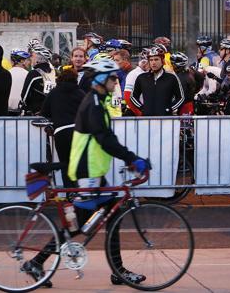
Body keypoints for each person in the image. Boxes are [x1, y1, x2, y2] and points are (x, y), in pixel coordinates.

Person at [25, 59, 148, 287]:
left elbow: (103, 138)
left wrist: (129, 158)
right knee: (79, 225)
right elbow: (104, 138)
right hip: (87, 170)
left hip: (93, 168)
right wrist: (133, 159)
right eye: (113, 77)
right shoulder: (92, 103)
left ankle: (117, 270)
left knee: (113, 214)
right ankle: (37, 261)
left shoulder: (96, 100)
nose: (116, 81)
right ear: (101, 78)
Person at [39, 68, 86, 187]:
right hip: (78, 131)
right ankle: (81, 192)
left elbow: (44, 112)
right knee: (79, 163)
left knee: (65, 165)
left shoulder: (54, 93)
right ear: (75, 79)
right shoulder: (80, 93)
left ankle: (69, 195)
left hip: (61, 132)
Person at [129, 46, 184, 116]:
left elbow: (181, 97)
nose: (153, 63)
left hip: (166, 119)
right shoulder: (141, 78)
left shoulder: (171, 78)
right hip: (147, 119)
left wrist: (170, 108)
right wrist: (142, 107)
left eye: (156, 59)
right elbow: (133, 96)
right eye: (151, 60)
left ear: (162, 61)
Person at [20, 43, 56, 115]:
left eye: (32, 56)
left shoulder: (33, 74)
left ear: (38, 58)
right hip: (52, 113)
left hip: (35, 114)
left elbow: (24, 97)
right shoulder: (56, 73)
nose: (30, 58)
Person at [123, 48, 149, 116]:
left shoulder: (150, 73)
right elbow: (127, 96)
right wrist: (139, 113)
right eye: (150, 61)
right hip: (135, 112)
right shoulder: (134, 74)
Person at [8, 49, 30, 114]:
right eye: (27, 60)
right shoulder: (28, 74)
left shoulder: (7, 73)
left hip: (7, 109)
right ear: (22, 61)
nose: (29, 62)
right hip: (21, 110)